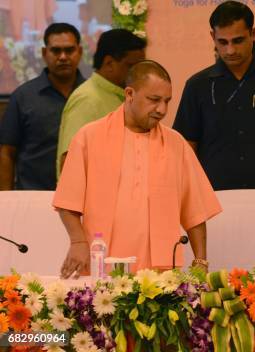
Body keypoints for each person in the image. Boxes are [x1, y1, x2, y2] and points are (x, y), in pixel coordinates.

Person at [53, 60, 222, 278]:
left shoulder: (176, 143)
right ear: (130, 93)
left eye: (167, 101)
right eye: (154, 100)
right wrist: (77, 241)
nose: (162, 109)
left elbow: (195, 210)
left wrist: (200, 261)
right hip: (102, 265)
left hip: (160, 274)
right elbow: (67, 201)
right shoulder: (89, 137)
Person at [173, 1, 255, 190]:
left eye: (238, 40)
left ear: (253, 34)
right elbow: (186, 147)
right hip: (213, 198)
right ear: (213, 37)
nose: (230, 50)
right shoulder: (197, 85)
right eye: (222, 42)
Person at [0, 23, 84, 190]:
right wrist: (5, 201)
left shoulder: (91, 96)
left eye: (69, 50)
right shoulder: (23, 97)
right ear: (44, 53)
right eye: (55, 50)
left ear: (80, 52)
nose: (63, 57)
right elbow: (7, 152)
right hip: (32, 197)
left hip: (82, 199)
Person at [56, 28, 146, 177]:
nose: (138, 73)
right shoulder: (87, 99)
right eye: (131, 66)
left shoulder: (123, 95)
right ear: (109, 63)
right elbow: (69, 163)